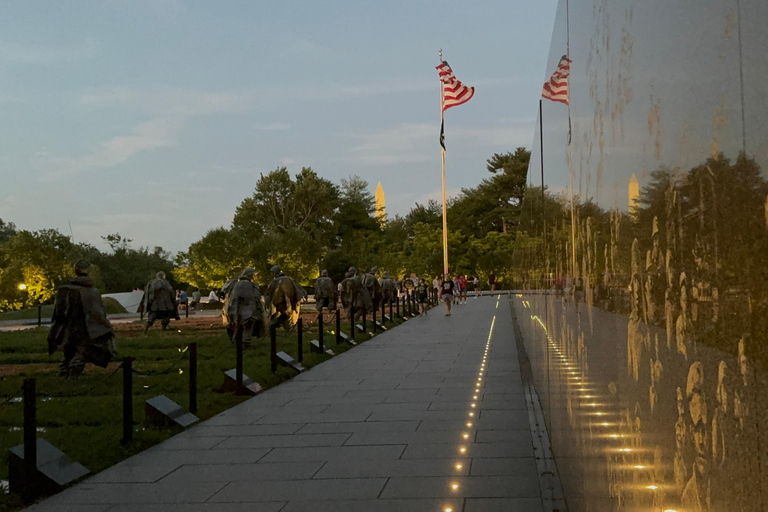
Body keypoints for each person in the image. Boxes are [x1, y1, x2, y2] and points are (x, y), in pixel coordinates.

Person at [48, 259, 117, 377]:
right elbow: (97, 314)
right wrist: (107, 326)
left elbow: (58, 312)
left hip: (68, 327)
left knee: (69, 352)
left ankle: (64, 373)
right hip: (85, 328)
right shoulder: (92, 292)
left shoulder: (64, 290)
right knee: (82, 352)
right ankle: (72, 378)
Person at [222, 267, 266, 346]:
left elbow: (226, 296)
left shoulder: (233, 284)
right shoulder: (252, 285)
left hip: (235, 312)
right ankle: (246, 344)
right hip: (249, 311)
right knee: (248, 330)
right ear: (250, 276)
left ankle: (235, 343)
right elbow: (257, 297)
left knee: (237, 328)